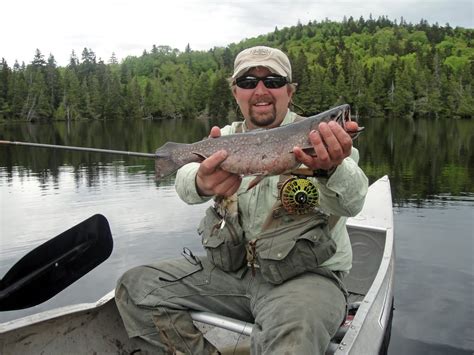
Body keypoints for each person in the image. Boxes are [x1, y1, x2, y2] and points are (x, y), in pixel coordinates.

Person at [115, 46, 369, 355]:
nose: (260, 90)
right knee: (135, 288)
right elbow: (185, 180)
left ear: (290, 91)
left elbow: (353, 200)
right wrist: (200, 182)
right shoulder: (224, 137)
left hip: (306, 280)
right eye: (248, 82)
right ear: (236, 92)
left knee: (294, 334)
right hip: (232, 275)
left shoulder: (327, 141)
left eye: (273, 81)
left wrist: (331, 167)